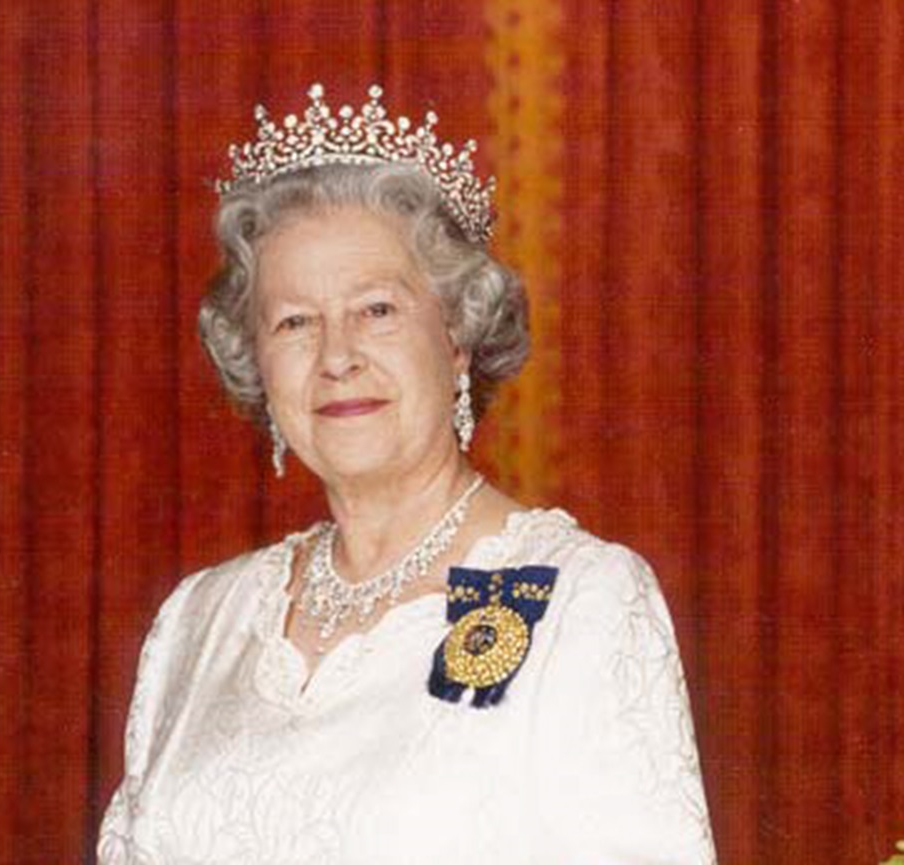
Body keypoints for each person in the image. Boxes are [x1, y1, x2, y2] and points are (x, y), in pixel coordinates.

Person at [96, 83, 717, 865]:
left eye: (378, 309)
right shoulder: (201, 617)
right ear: (255, 362)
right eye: (294, 322)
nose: (337, 355)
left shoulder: (572, 598)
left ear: (456, 337)